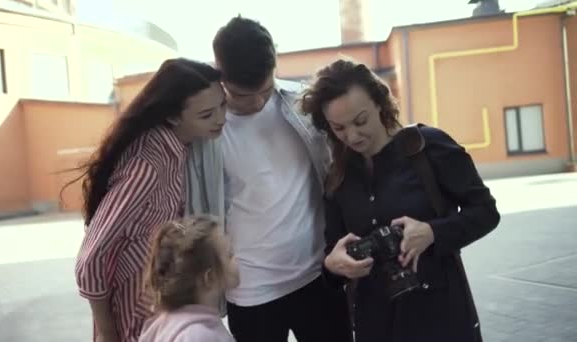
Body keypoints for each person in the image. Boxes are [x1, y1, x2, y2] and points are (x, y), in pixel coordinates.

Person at [300, 59, 501, 342]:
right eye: (339, 128)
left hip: (441, 319)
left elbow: (486, 213)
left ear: (380, 103)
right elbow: (335, 249)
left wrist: (433, 233)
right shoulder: (338, 176)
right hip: (375, 323)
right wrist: (333, 267)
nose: (352, 136)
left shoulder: (427, 147)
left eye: (361, 121)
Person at [204, 16, 353, 342]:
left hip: (320, 275)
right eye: (243, 96)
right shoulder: (207, 133)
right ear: (220, 72)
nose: (257, 101)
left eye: (266, 89)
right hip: (251, 292)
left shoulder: (303, 106)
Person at [68, 58, 227, 342]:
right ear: (173, 116)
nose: (220, 119)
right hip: (134, 313)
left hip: (161, 304)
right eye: (206, 115)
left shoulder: (179, 147)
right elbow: (90, 259)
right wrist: (107, 333)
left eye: (222, 106)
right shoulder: (148, 166)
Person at [139, 216, 240, 342]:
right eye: (230, 255)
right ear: (209, 278)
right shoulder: (199, 336)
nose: (237, 259)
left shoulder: (162, 323)